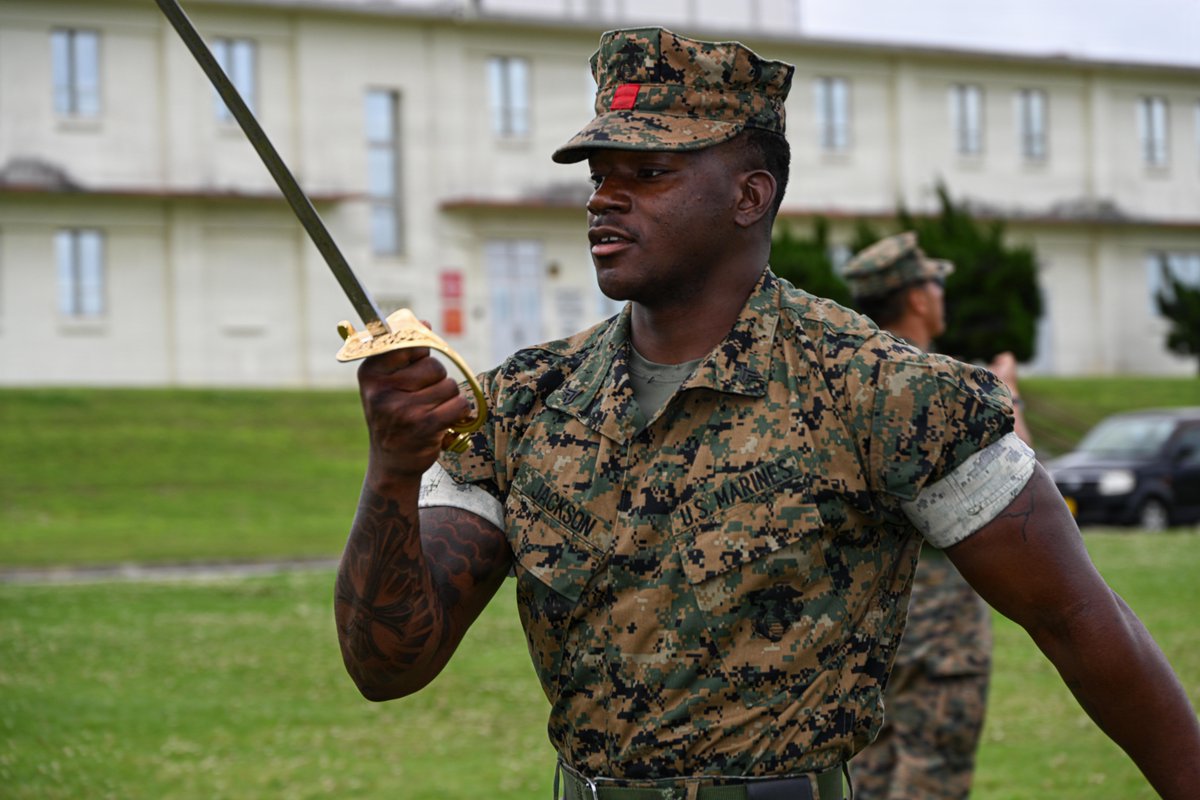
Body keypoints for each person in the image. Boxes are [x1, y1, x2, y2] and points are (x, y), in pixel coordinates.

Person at [334, 27, 1200, 800]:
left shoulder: (884, 392)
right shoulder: (524, 404)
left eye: (649, 173)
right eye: (600, 177)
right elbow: (388, 665)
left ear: (749, 197)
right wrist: (393, 470)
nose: (604, 198)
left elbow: (1079, 619)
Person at [840, 233, 1033, 799]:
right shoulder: (948, 389)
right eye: (936, 284)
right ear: (919, 299)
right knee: (934, 776)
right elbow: (1016, 489)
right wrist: (1009, 397)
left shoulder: (846, 386)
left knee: (868, 777)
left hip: (861, 626)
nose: (942, 295)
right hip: (940, 632)